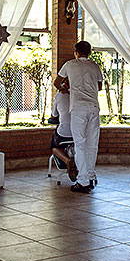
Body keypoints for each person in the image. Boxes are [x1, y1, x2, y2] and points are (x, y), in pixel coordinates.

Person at [54, 41, 103, 193]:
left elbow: (57, 82)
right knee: (92, 144)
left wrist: (65, 89)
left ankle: (83, 181)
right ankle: (91, 175)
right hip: (94, 108)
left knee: (80, 145)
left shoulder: (69, 65)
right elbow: (99, 86)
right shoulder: (95, 66)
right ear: (89, 52)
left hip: (78, 109)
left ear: (75, 51)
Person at [49, 85, 77, 182]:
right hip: (78, 132)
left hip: (64, 133)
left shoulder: (58, 97)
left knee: (54, 146)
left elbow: (54, 115)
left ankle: (67, 160)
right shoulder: (78, 95)